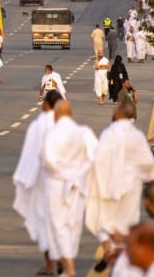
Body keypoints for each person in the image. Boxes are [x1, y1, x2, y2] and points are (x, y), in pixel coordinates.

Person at [86, 102, 154, 259]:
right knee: (127, 222)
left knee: (105, 219)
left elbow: (99, 160)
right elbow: (147, 162)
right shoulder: (137, 135)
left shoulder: (109, 134)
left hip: (109, 185)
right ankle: (122, 255)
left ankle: (109, 248)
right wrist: (148, 179)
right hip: (131, 186)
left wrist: (94, 181)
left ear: (117, 115)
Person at [40, 101, 98, 277]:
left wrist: (64, 174)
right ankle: (68, 263)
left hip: (57, 184)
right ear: (71, 114)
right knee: (74, 223)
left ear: (56, 115)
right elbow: (95, 156)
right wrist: (78, 174)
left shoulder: (52, 134)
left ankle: (69, 267)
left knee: (59, 225)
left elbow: (47, 160)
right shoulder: (83, 132)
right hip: (77, 185)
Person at [15, 90, 64, 277]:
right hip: (63, 180)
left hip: (43, 179)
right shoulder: (66, 124)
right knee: (60, 221)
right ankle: (62, 258)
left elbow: (30, 153)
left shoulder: (39, 124)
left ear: (46, 104)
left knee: (44, 221)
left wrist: (25, 178)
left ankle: (50, 265)